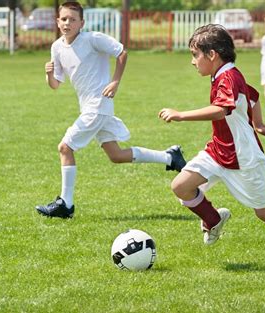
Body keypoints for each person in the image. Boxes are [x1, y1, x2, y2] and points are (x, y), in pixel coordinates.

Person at [158, 24, 265, 272]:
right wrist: (260, 124)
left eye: (195, 54)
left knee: (264, 212)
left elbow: (222, 109)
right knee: (180, 186)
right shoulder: (224, 74)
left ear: (212, 54)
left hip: (243, 157)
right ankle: (213, 219)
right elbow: (252, 96)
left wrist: (180, 115)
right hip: (218, 150)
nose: (192, 61)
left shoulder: (228, 76)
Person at [36, 1, 186, 218]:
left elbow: (122, 52)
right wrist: (48, 74)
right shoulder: (57, 47)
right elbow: (55, 84)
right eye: (64, 19)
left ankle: (65, 205)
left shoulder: (92, 39)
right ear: (57, 21)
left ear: (82, 23)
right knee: (115, 155)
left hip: (98, 105)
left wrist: (115, 81)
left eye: (73, 19)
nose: (68, 23)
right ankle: (170, 158)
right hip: (89, 108)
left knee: (65, 148)